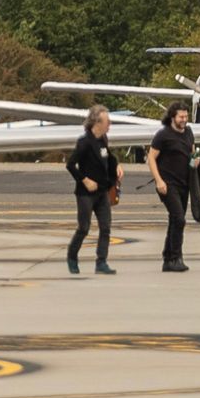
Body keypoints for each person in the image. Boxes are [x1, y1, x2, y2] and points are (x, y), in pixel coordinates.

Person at [67, 104, 122, 275]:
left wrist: (117, 166)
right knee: (84, 227)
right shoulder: (84, 143)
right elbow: (70, 165)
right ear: (97, 122)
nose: (109, 125)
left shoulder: (103, 140)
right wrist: (84, 180)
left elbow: (108, 158)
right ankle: (72, 256)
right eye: (107, 122)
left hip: (102, 192)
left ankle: (101, 261)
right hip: (86, 194)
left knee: (105, 227)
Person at [147, 102, 197, 272]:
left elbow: (192, 151)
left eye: (186, 116)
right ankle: (175, 257)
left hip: (184, 184)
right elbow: (151, 158)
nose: (184, 120)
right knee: (179, 219)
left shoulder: (189, 132)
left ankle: (168, 257)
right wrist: (158, 181)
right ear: (172, 117)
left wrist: (195, 160)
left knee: (176, 219)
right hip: (168, 185)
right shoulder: (163, 135)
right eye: (181, 117)